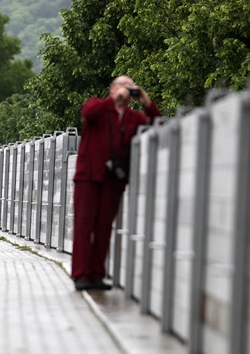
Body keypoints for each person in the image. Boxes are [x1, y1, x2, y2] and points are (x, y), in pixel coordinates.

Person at [71, 75, 161, 291]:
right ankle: (81, 275)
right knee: (84, 226)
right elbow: (88, 113)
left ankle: (96, 275)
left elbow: (158, 125)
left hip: (113, 180)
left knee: (103, 229)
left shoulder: (134, 118)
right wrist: (112, 100)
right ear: (111, 89)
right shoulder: (97, 106)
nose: (125, 90)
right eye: (121, 85)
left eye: (129, 87)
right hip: (88, 177)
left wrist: (147, 103)